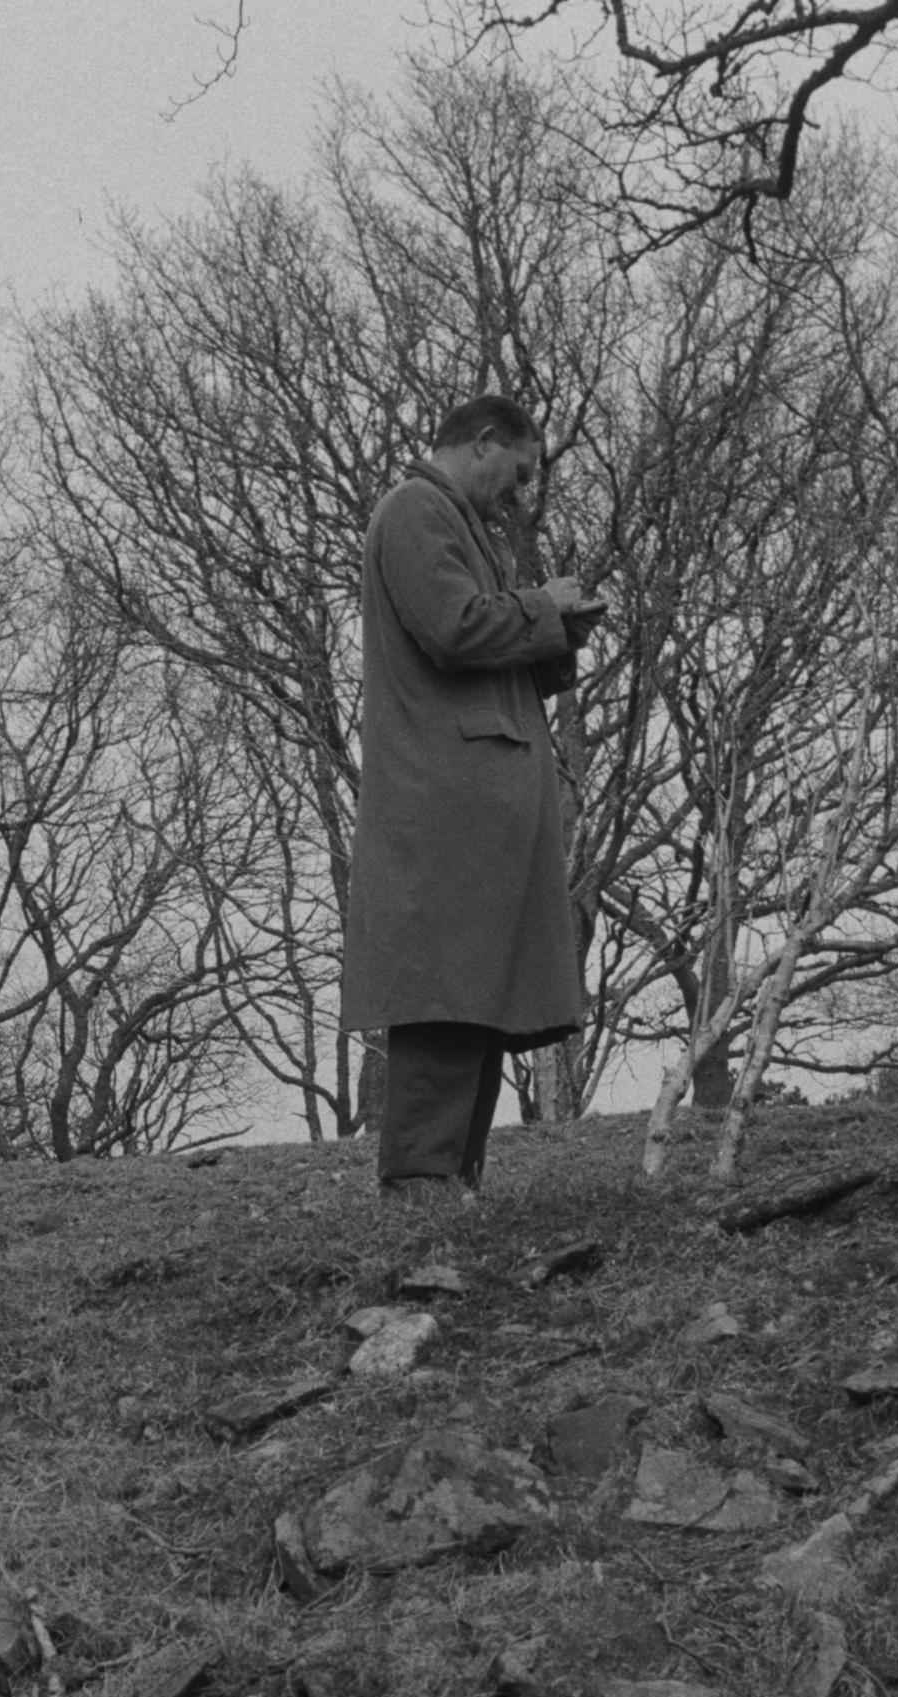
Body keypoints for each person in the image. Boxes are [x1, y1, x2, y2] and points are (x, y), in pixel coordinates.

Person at [341, 395, 601, 1196]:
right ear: (485, 443)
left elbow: (482, 638)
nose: (518, 496)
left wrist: (560, 630)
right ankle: (421, 1186)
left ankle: (450, 1183)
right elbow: (452, 628)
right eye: (518, 473)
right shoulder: (417, 510)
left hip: (475, 807)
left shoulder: (455, 521)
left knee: (478, 992)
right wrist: (542, 607)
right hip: (447, 802)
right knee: (446, 992)